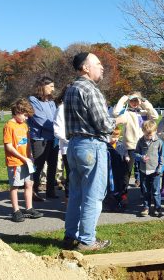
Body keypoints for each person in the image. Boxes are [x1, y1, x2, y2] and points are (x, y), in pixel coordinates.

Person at [63, 52, 124, 251]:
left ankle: (70, 236)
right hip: (91, 146)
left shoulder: (71, 88)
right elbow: (104, 124)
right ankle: (87, 240)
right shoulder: (90, 89)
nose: (102, 67)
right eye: (98, 63)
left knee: (76, 194)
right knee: (94, 195)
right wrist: (118, 120)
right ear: (85, 68)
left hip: (74, 146)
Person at [113, 91, 159, 203]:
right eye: (132, 100)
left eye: (136, 100)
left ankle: (146, 194)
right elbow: (115, 113)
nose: (134, 103)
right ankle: (123, 195)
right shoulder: (126, 113)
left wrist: (144, 101)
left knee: (146, 172)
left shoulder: (144, 112)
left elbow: (155, 116)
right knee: (126, 173)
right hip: (131, 146)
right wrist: (124, 98)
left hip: (144, 146)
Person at [4, 98, 43, 222]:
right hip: (15, 162)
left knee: (29, 184)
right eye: (25, 115)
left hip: (26, 161)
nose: (26, 118)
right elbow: (8, 146)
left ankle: (29, 208)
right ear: (17, 111)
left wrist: (30, 155)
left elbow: (28, 144)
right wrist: (22, 157)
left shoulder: (25, 125)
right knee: (15, 186)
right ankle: (16, 210)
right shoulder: (9, 126)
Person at [28, 76, 59, 201]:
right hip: (39, 139)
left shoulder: (51, 102)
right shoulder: (33, 100)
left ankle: (50, 191)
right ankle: (33, 191)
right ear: (42, 86)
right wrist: (58, 128)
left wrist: (58, 128)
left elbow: (56, 118)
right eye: (50, 86)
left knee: (53, 165)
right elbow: (41, 120)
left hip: (53, 138)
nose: (53, 89)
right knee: (38, 166)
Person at [135, 120, 164, 217]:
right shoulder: (140, 141)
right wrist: (141, 157)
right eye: (146, 135)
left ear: (155, 131)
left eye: (150, 135)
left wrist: (160, 168)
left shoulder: (159, 142)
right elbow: (135, 154)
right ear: (143, 131)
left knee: (156, 191)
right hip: (144, 170)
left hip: (155, 171)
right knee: (145, 190)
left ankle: (157, 208)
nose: (148, 137)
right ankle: (146, 207)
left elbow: (162, 156)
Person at [53, 85, 70, 205]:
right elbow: (57, 130)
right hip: (68, 148)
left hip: (81, 147)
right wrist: (70, 140)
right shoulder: (61, 109)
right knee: (72, 176)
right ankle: (69, 203)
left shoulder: (79, 107)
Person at [107, 127, 130, 211]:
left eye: (117, 137)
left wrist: (126, 156)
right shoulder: (106, 146)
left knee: (121, 183)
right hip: (110, 168)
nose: (115, 139)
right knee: (112, 185)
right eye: (113, 137)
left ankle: (122, 199)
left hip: (120, 167)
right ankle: (111, 200)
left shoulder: (120, 144)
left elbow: (125, 152)